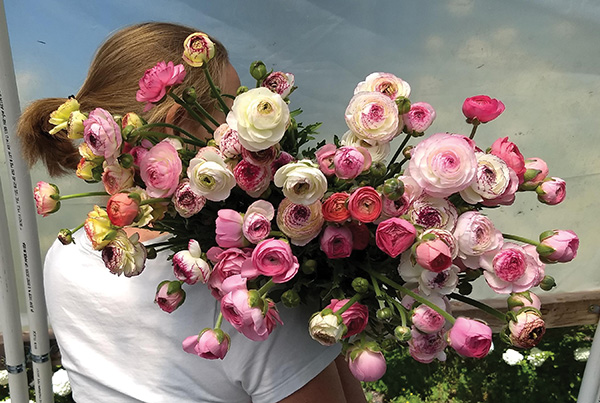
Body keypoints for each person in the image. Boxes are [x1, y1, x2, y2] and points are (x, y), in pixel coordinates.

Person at [18, 22, 368, 402]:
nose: (249, 136)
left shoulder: (64, 257)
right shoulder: (241, 294)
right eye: (232, 111)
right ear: (178, 122)